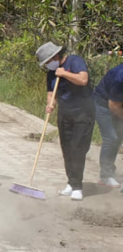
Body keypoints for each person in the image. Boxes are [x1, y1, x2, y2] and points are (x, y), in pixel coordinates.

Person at [36, 42, 94, 201]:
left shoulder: (74, 61)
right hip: (65, 113)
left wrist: (65, 74)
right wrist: (50, 105)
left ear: (55, 56)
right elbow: (51, 93)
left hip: (83, 112)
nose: (48, 65)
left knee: (77, 148)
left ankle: (77, 187)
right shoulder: (52, 73)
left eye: (48, 61)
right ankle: (71, 182)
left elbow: (83, 80)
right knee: (66, 148)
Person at [93, 62, 123, 191]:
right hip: (103, 104)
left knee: (118, 137)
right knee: (111, 137)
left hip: (118, 103)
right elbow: (113, 105)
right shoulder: (120, 77)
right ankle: (105, 176)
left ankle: (111, 170)